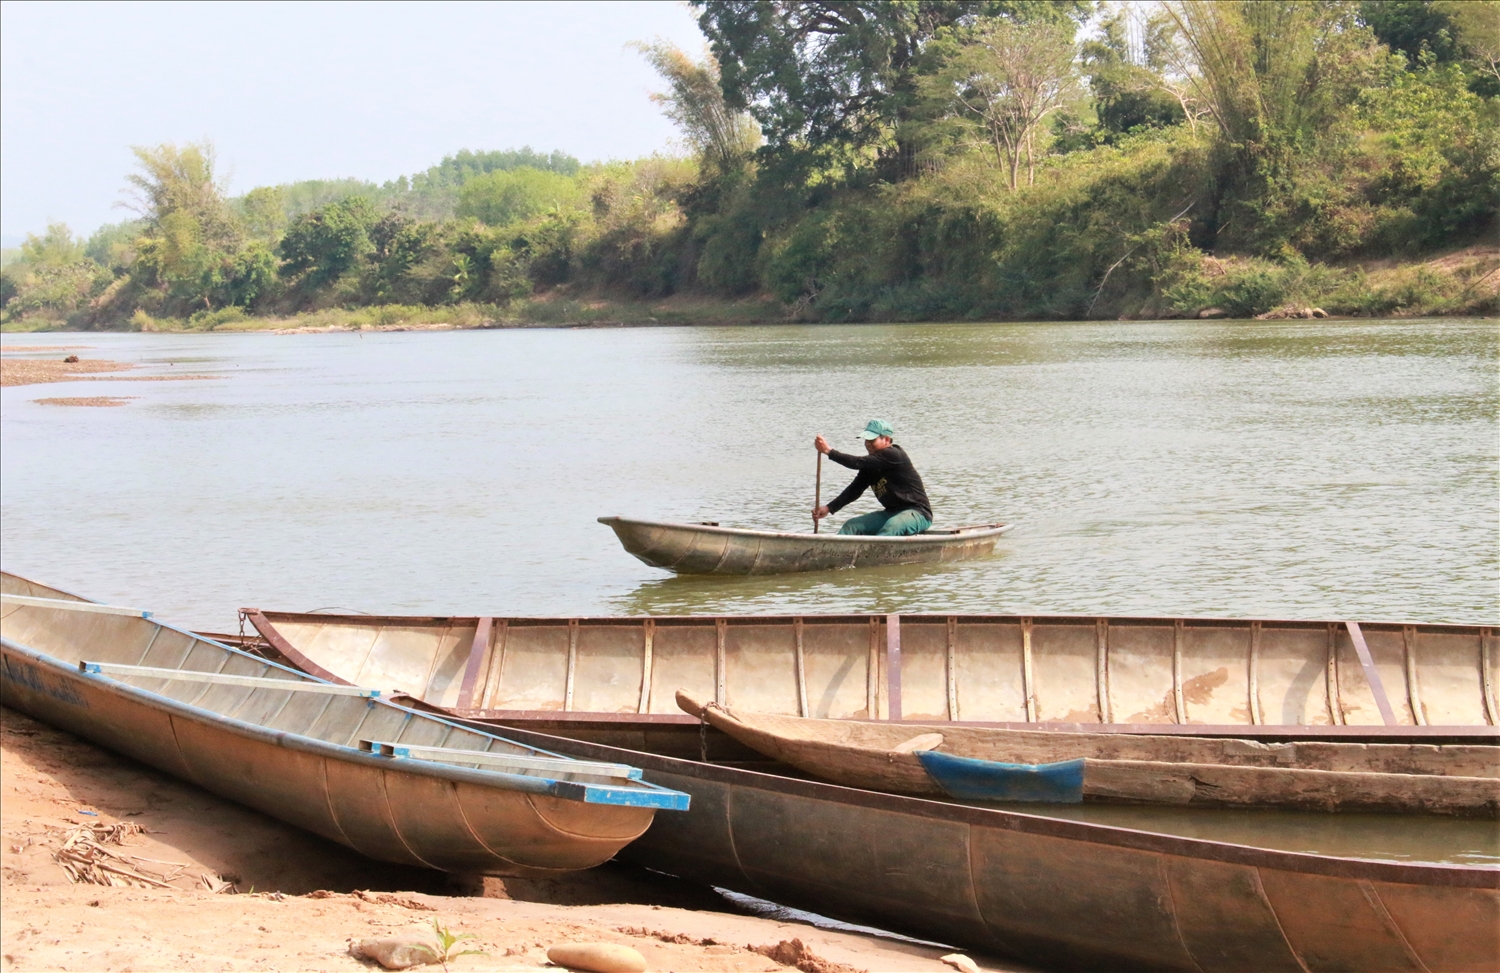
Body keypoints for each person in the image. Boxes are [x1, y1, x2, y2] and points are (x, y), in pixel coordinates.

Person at [813, 419, 933, 536]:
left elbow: (856, 462)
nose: (868, 443)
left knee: (893, 525)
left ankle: (874, 554)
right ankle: (835, 553)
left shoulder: (894, 454)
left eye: (872, 439)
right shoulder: (870, 465)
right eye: (866, 440)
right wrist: (829, 508)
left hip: (918, 513)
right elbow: (854, 490)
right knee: (851, 526)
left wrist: (828, 451)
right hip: (891, 513)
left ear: (886, 439)